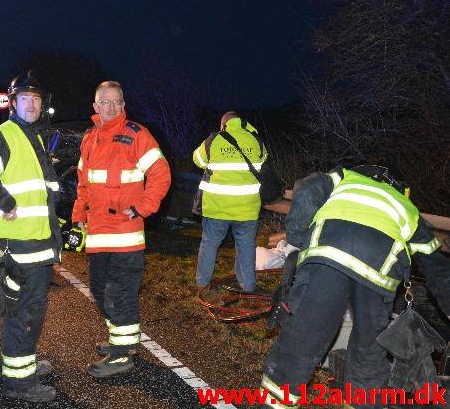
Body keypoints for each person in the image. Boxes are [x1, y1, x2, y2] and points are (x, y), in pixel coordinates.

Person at [260, 165, 450, 409]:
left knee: (301, 343)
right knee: (368, 357)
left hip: (328, 258)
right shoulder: (408, 209)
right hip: (377, 276)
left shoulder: (344, 177)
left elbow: (306, 189)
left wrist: (299, 238)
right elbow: (436, 265)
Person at [0, 71, 61, 403]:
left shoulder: (32, 136)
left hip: (37, 243)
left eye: (37, 99)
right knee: (22, 312)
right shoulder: (4, 135)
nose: (32, 104)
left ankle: (25, 364)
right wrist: (4, 201)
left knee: (32, 310)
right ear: (13, 103)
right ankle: (20, 383)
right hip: (21, 246)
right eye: (25, 99)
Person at [71, 80, 171, 378]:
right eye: (105, 102)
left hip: (126, 236)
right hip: (98, 234)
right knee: (100, 293)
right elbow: (83, 182)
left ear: (123, 105)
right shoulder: (89, 138)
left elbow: (160, 173)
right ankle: (121, 342)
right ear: (95, 106)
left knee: (119, 296)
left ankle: (121, 355)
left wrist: (143, 207)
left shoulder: (137, 135)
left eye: (117, 102)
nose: (111, 107)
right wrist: (78, 212)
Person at [192, 111, 267, 295]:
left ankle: (203, 284)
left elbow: (197, 160)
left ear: (223, 124)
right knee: (246, 245)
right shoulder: (256, 140)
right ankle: (248, 285)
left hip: (217, 207)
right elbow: (263, 160)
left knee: (209, 243)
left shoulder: (214, 140)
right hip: (247, 209)